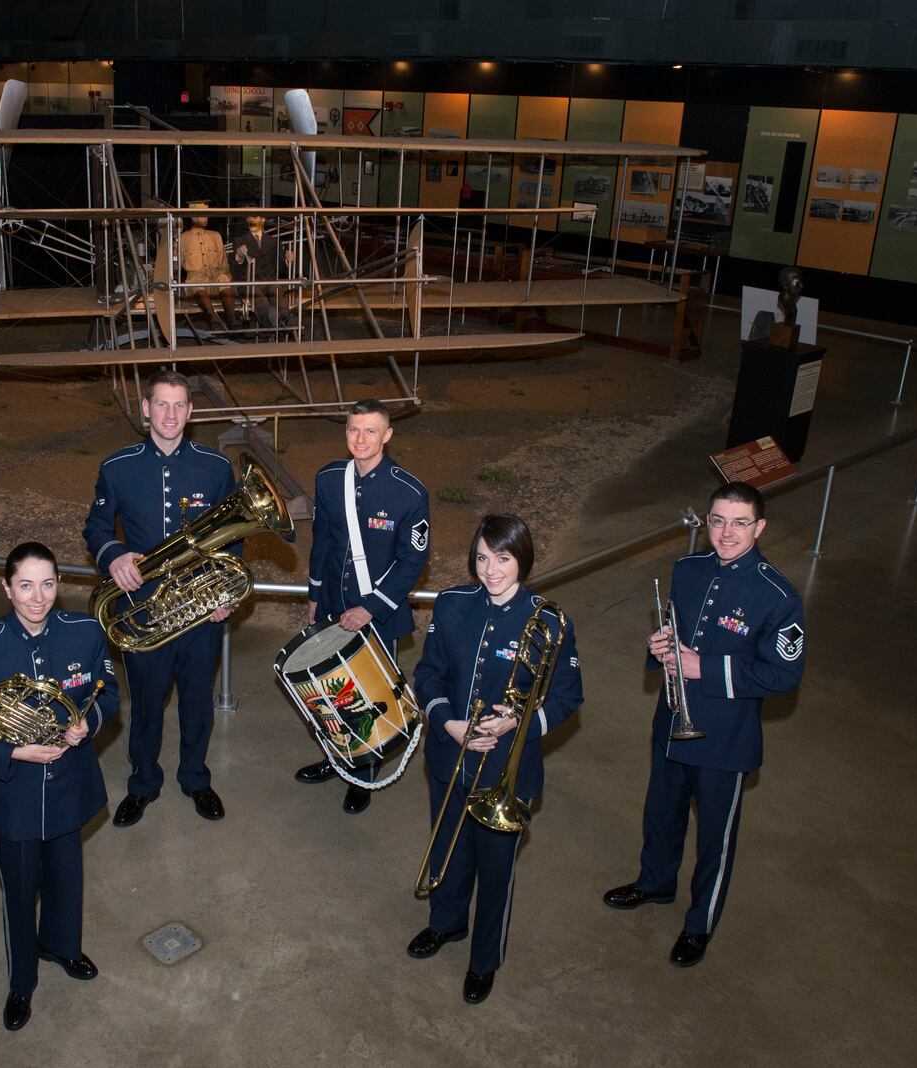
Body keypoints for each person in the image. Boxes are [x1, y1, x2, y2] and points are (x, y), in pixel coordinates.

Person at [602, 481, 805, 968]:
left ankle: (699, 925)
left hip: (725, 741)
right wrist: (661, 647)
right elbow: (677, 630)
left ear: (759, 527)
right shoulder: (687, 569)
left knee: (715, 838)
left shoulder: (778, 596)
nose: (726, 532)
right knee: (661, 813)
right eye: (717, 521)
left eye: (739, 523)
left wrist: (703, 667)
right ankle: (655, 883)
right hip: (673, 721)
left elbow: (782, 674)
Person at [0, 542, 119, 1032]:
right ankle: (21, 982)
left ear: (59, 584)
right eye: (25, 585)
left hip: (69, 785)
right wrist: (13, 752)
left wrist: (88, 723)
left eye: (47, 584)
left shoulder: (85, 631)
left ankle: (62, 946)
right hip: (13, 796)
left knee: (67, 880)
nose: (38, 597)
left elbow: (109, 694)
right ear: (6, 588)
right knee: (19, 894)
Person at [408, 514, 582, 1005]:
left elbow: (569, 697)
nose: (491, 570)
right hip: (450, 754)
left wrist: (519, 723)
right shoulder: (452, 604)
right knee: (447, 848)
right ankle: (446, 924)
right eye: (482, 558)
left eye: (502, 558)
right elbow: (429, 675)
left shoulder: (549, 620)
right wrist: (447, 723)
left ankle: (484, 960)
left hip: (507, 767)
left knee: (496, 869)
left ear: (522, 559)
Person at [84, 369, 236, 827]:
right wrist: (112, 556)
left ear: (190, 413)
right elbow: (95, 529)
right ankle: (143, 783)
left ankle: (196, 778)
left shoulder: (215, 467)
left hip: (199, 611)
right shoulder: (117, 466)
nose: (170, 414)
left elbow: (232, 538)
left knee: (196, 701)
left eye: (179, 405)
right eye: (161, 404)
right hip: (142, 611)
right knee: (146, 704)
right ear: (145, 408)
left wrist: (225, 594)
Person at [295, 398, 430, 814]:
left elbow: (413, 561)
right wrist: (316, 594)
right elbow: (323, 541)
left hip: (380, 613)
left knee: (369, 697)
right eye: (354, 429)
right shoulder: (329, 477)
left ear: (387, 435)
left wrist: (371, 608)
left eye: (371, 430)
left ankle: (364, 775)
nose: (361, 438)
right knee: (331, 691)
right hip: (335, 604)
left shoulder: (409, 492)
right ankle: (336, 759)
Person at [229, 210, 294, 328]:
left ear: (263, 220)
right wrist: (239, 256)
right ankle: (274, 320)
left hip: (269, 281)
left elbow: (281, 268)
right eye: (249, 218)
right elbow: (235, 268)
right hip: (250, 282)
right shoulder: (240, 240)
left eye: (255, 217)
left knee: (277, 291)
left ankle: (285, 316)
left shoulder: (273, 241)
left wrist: (287, 262)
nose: (251, 220)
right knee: (258, 296)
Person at [179, 201, 236, 332]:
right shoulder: (183, 238)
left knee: (223, 278)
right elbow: (176, 267)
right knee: (196, 282)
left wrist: (225, 275)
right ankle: (213, 319)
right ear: (193, 217)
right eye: (202, 215)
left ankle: (232, 319)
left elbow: (223, 263)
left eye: (206, 215)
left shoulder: (215, 236)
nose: (206, 218)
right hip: (195, 286)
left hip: (214, 282)